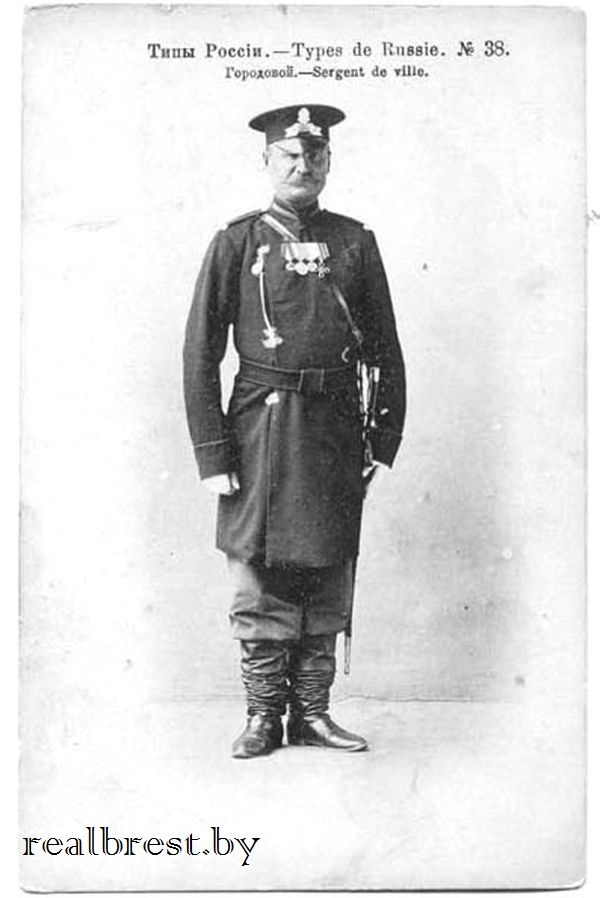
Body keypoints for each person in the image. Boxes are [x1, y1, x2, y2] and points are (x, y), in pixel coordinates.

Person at [183, 104, 406, 759]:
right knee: (258, 571)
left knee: (328, 567)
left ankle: (312, 714)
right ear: (266, 161)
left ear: (329, 162)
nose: (302, 166)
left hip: (334, 427)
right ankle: (262, 716)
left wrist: (382, 441)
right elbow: (200, 352)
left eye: (314, 155)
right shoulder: (235, 242)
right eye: (289, 155)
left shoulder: (355, 242)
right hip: (261, 425)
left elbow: (386, 347)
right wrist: (212, 452)